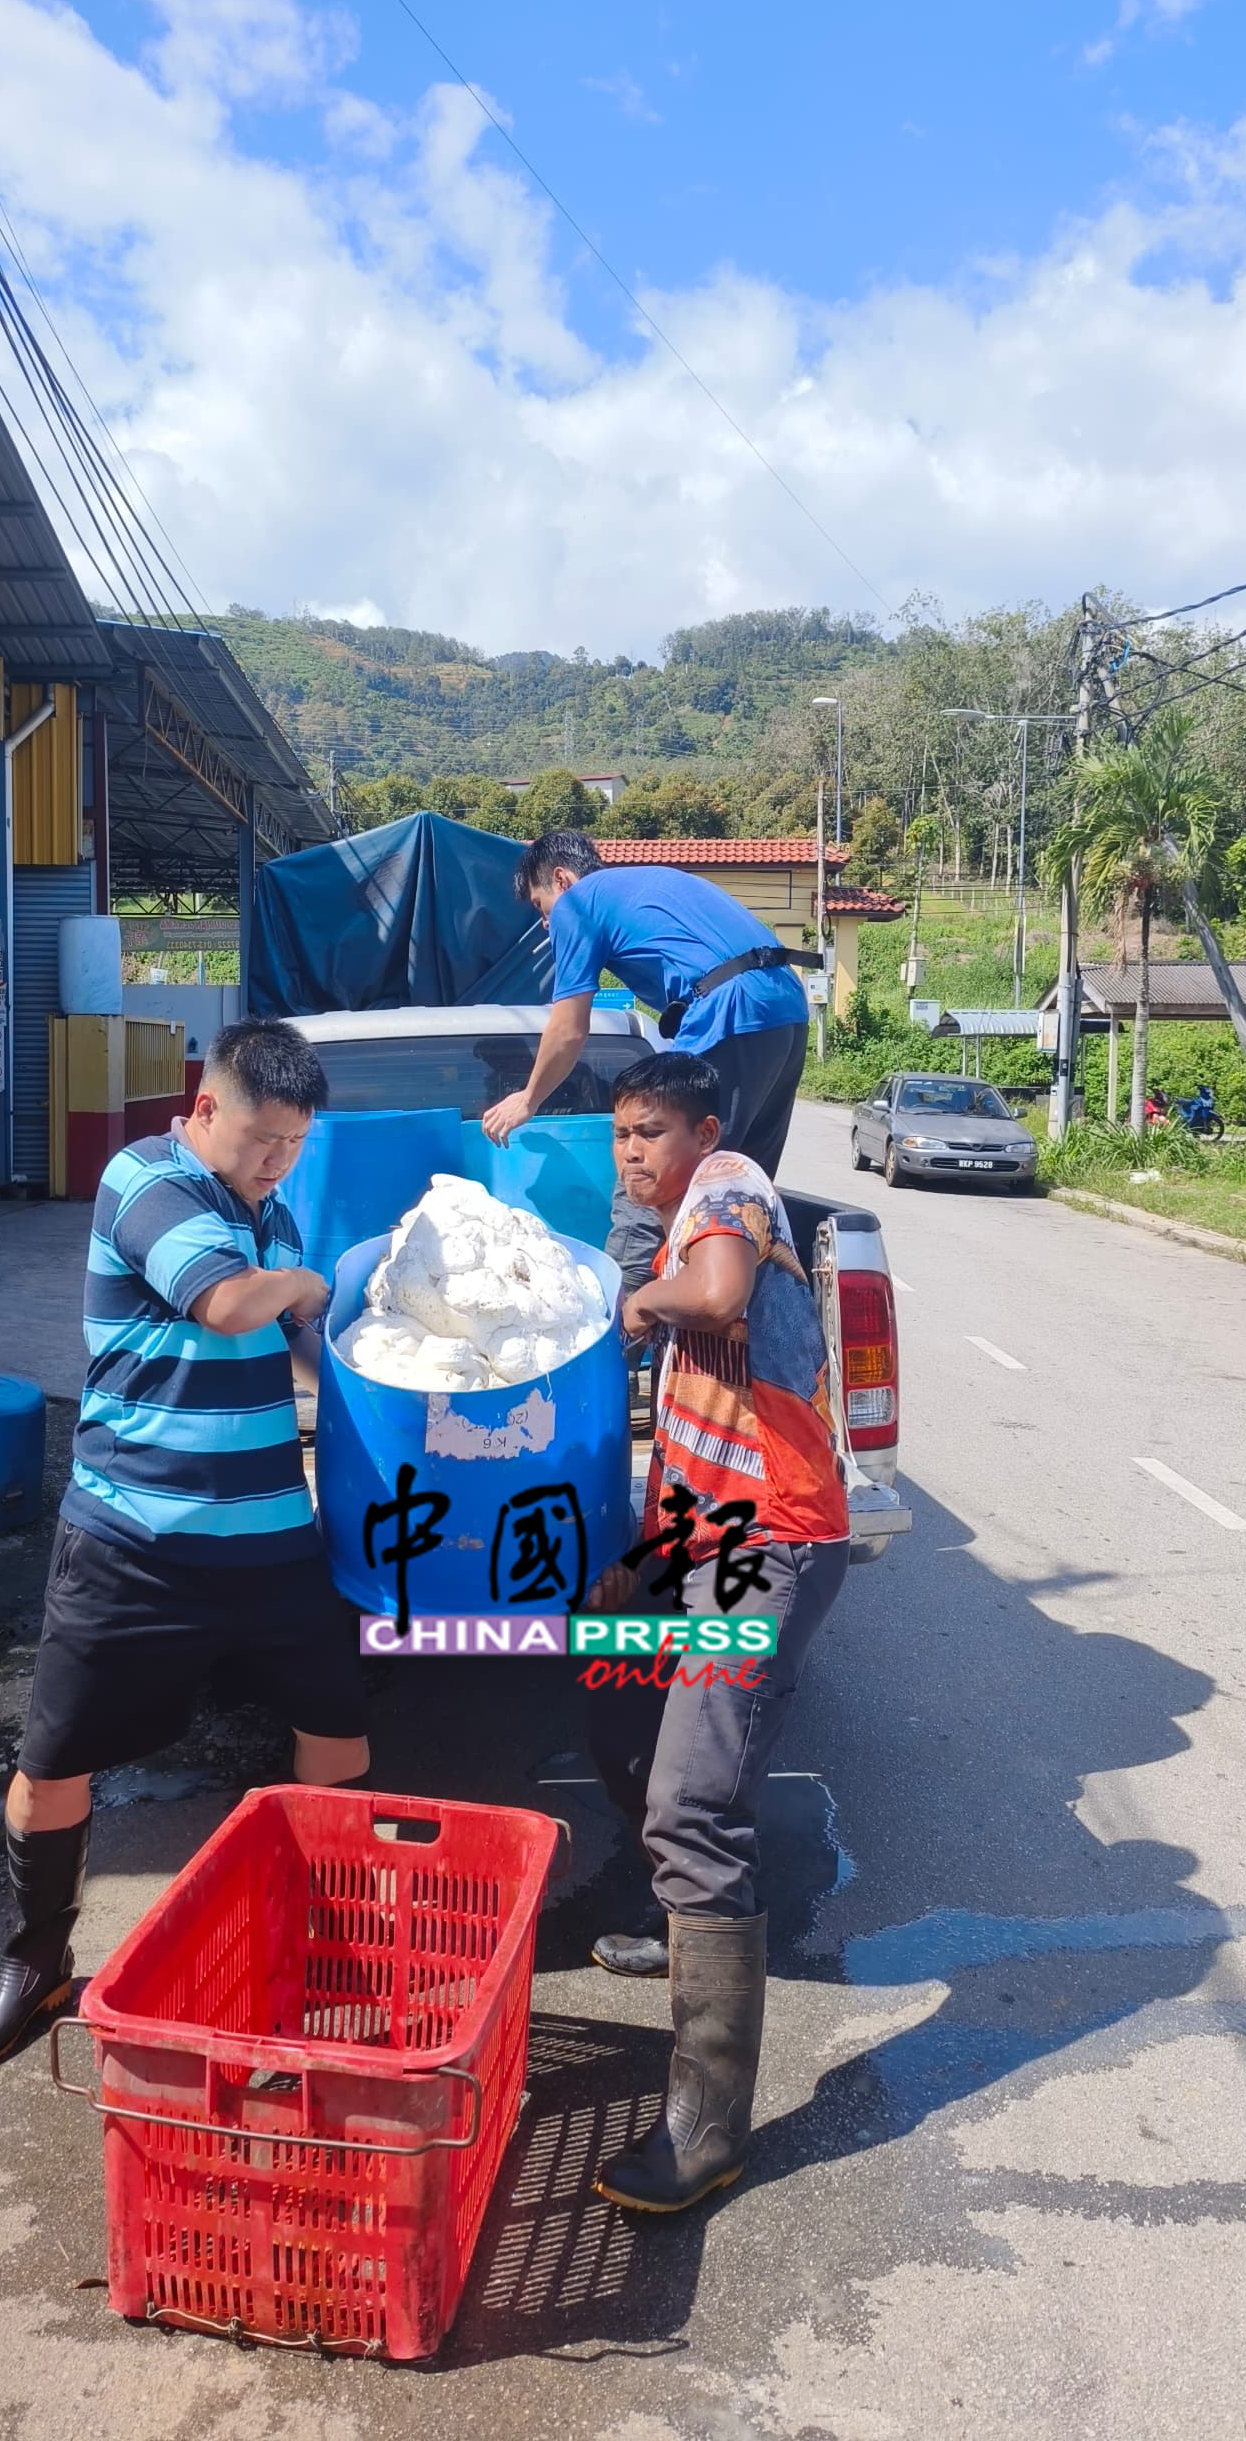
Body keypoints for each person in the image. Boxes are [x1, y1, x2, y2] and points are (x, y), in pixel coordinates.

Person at [0, 1019, 369, 2071]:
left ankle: (315, 1951)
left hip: (270, 1536)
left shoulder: (276, 1212)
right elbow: (227, 1305)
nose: (277, 1160)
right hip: (131, 1539)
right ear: (205, 1106)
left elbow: (303, 1349)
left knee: (341, 1731)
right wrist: (309, 1288)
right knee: (53, 1765)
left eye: (296, 1143)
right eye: (262, 1137)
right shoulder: (145, 1178)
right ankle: (36, 1961)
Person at [583, 1050, 851, 2213]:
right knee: (602, 1671)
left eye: (650, 1131)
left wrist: (638, 1303)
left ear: (701, 1128)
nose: (633, 1152)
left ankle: (707, 2125)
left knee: (695, 1799)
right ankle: (676, 1915)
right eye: (618, 1136)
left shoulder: (731, 1181)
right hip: (699, 1537)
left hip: (770, 1541)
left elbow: (721, 1292)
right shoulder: (669, 1213)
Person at [480, 829, 815, 1297]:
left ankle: (621, 1325)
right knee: (739, 1185)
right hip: (787, 1009)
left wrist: (528, 1099)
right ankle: (740, 1326)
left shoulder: (579, 903)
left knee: (648, 1171)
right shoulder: (645, 883)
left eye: (540, 907)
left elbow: (570, 1026)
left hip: (728, 1011)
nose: (544, 925)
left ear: (561, 878)